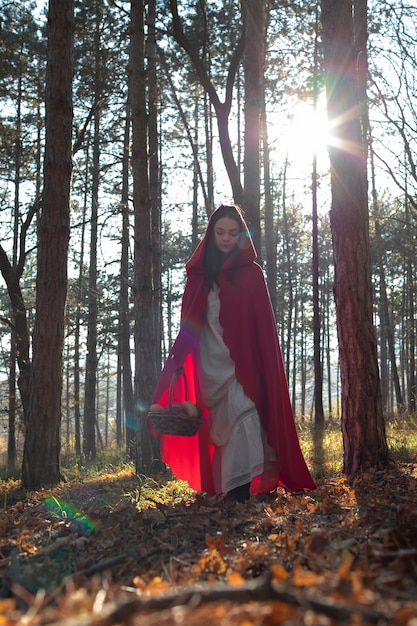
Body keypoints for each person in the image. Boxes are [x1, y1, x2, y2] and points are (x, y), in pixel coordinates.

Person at [149, 204, 315, 501]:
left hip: (243, 364)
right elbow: (189, 323)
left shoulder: (252, 275)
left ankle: (243, 489)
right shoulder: (199, 276)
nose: (226, 238)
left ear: (241, 236)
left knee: (245, 412)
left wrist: (260, 363)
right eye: (220, 232)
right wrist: (179, 360)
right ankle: (232, 486)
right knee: (221, 430)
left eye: (233, 233)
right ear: (211, 234)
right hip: (208, 364)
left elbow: (263, 327)